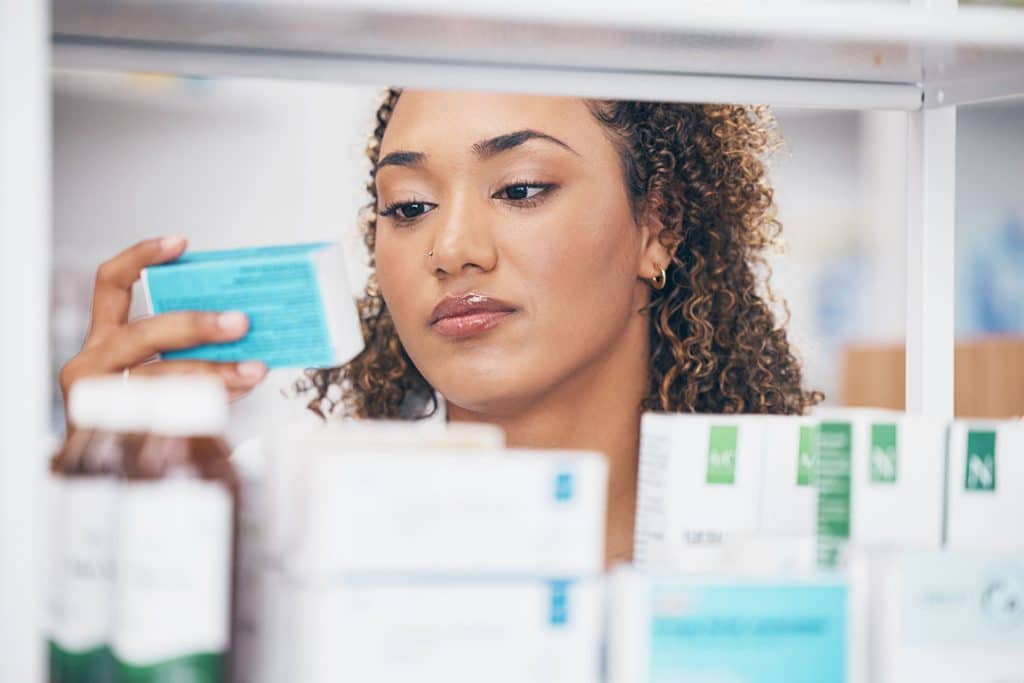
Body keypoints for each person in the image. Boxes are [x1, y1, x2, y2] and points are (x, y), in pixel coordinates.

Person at [59, 88, 819, 564]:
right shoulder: (268, 519)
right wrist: (105, 513)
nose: (451, 249)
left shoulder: (801, 537)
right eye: (409, 206)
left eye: (520, 188)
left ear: (659, 222)